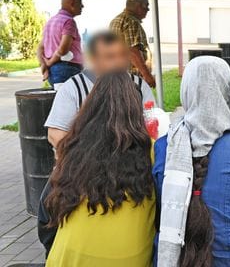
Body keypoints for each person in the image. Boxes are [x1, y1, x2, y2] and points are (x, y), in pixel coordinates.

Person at [154, 56, 230, 267]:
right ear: (226, 91)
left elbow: (160, 215)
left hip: (175, 259)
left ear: (186, 91)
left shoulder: (164, 147)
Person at [44, 72, 156, 266]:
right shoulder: (153, 151)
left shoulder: (73, 148)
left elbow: (44, 213)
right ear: (135, 109)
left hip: (68, 259)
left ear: (90, 108)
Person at [44, 31, 156, 150]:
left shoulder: (139, 85)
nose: (120, 62)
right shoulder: (73, 88)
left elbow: (153, 122)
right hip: (86, 162)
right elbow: (55, 134)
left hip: (132, 163)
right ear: (93, 59)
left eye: (123, 55)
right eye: (110, 56)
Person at [37, 0, 84, 89]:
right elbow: (63, 49)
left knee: (60, 101)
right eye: (80, 3)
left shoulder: (50, 21)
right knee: (71, 102)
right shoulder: (69, 22)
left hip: (52, 73)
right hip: (67, 70)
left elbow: (40, 48)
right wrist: (49, 62)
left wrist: (44, 65)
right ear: (72, 3)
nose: (82, 6)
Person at [109, 0, 155, 88]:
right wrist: (147, 75)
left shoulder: (116, 20)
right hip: (131, 79)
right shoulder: (132, 22)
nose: (148, 9)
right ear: (139, 6)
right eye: (146, 5)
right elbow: (132, 51)